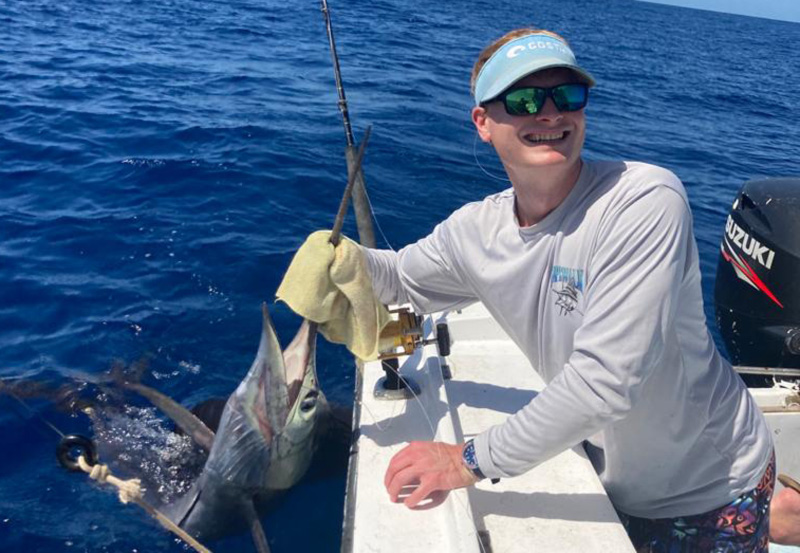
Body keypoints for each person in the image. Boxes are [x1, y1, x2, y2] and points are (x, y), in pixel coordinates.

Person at [359, 28, 776, 551]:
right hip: (612, 479)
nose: (551, 113)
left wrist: (465, 460)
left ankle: (771, 511)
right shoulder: (474, 230)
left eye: (568, 96)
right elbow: (399, 278)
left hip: (708, 490)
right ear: (483, 123)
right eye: (525, 99)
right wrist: (337, 262)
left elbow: (605, 382)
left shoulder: (644, 200)